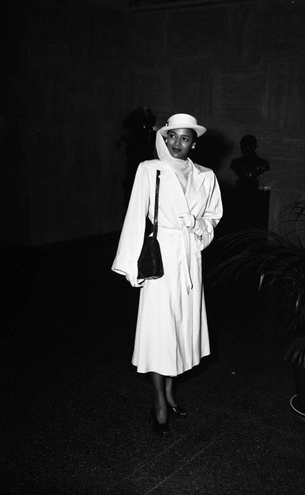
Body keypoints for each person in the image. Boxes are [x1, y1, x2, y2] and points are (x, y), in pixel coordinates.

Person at [112, 113, 223, 437]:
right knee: (160, 333)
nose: (177, 143)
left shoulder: (206, 175)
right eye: (172, 136)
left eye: (185, 138)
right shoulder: (150, 169)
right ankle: (159, 400)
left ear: (194, 142)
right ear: (164, 137)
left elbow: (213, 215)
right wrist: (132, 265)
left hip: (190, 258)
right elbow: (135, 215)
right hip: (161, 259)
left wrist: (199, 227)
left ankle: (172, 392)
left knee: (180, 330)